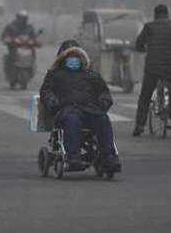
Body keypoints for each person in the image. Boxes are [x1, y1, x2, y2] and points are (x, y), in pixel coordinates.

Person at [40, 39, 121, 171]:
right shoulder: (54, 75)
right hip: (66, 109)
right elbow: (46, 91)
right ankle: (73, 157)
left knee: (102, 119)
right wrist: (52, 101)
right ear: (63, 58)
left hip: (89, 109)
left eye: (76, 57)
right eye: (70, 57)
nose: (73, 60)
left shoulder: (91, 75)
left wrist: (104, 100)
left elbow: (103, 91)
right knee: (73, 120)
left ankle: (108, 157)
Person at [132, 4, 171, 136]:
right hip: (170, 66)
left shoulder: (149, 27)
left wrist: (142, 50)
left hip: (152, 66)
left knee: (145, 96)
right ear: (167, 14)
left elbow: (139, 43)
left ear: (155, 14)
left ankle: (139, 126)